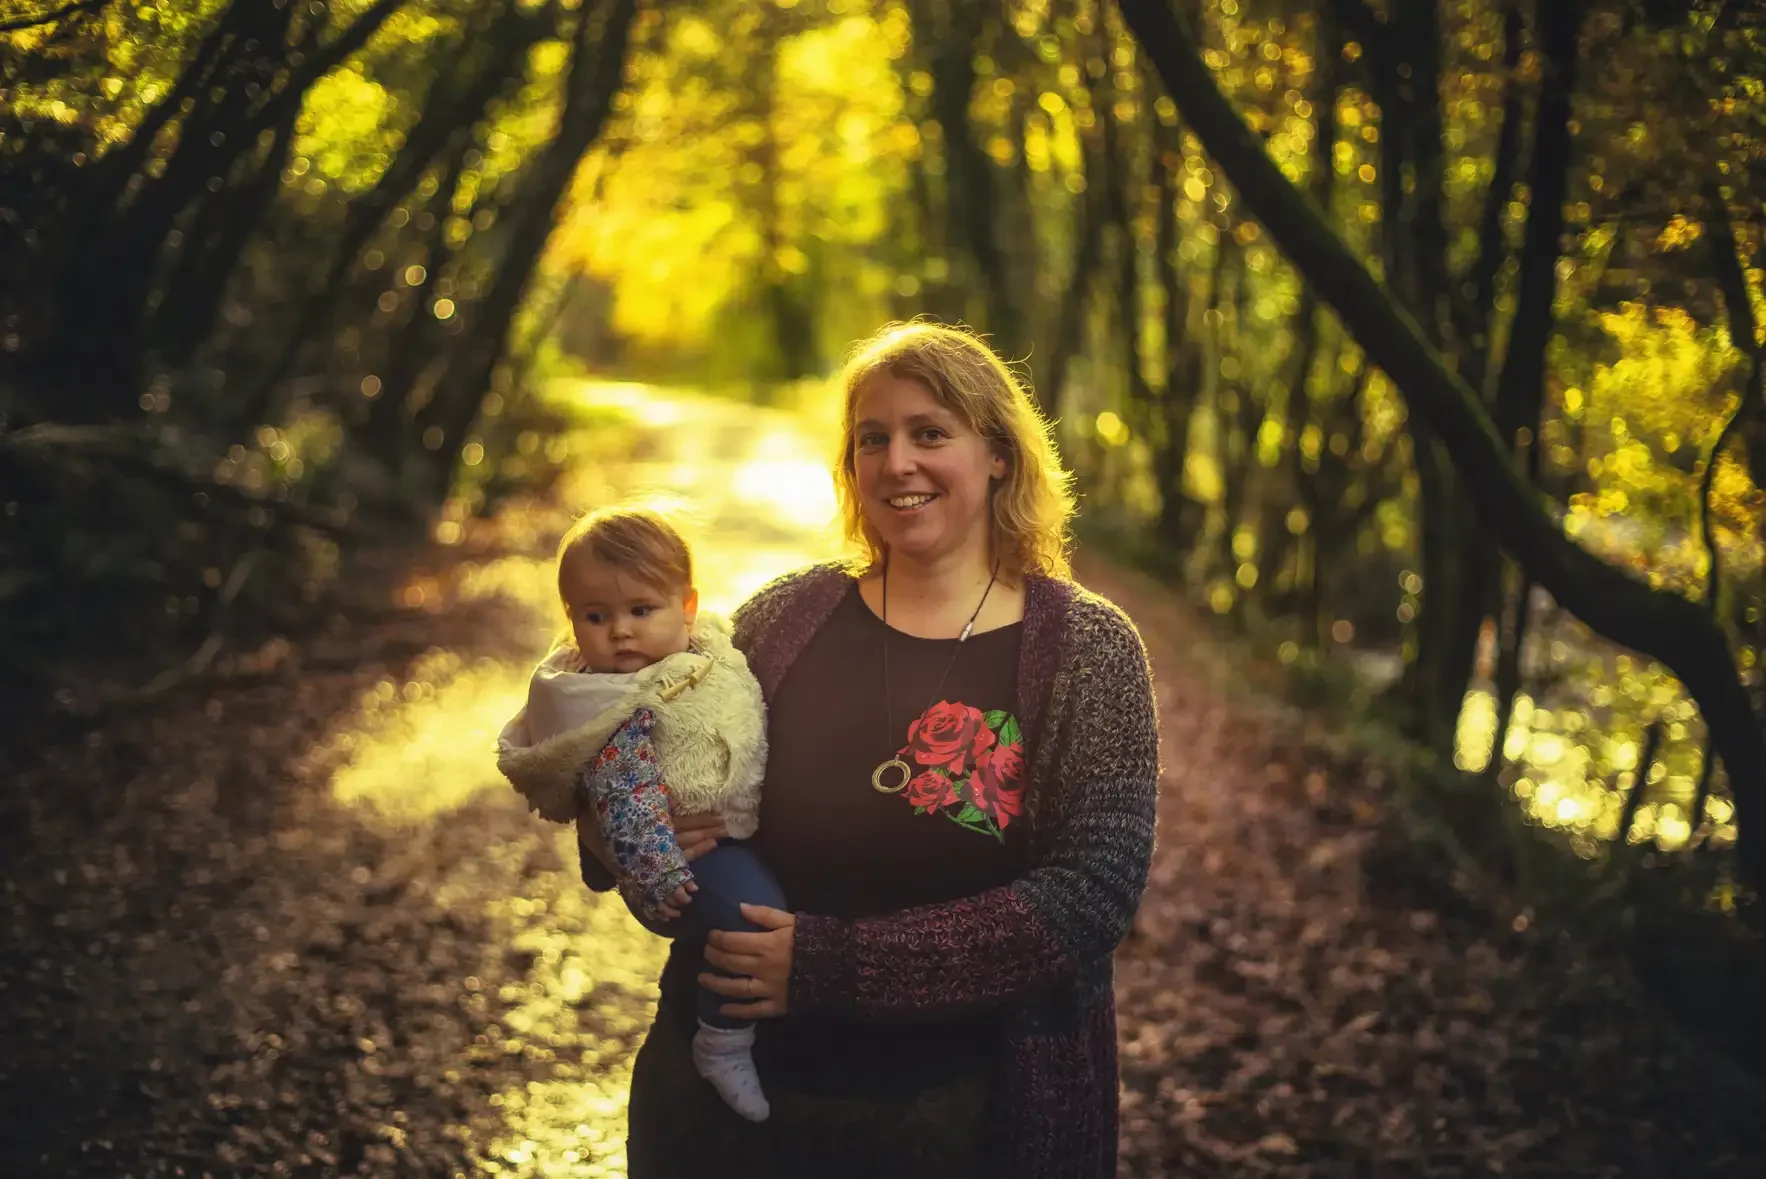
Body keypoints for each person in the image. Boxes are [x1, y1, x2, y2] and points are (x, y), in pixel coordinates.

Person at [578, 322, 1161, 1179]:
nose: (898, 463)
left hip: (959, 1118)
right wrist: (614, 838)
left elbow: (1090, 895)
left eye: (931, 432)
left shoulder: (1087, 650)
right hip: (718, 1118)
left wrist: (829, 966)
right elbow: (653, 773)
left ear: (998, 454)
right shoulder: (786, 618)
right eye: (872, 438)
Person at [497, 506, 785, 1122]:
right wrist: (649, 869)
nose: (620, 632)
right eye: (596, 617)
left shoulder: (711, 652)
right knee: (754, 920)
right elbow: (620, 798)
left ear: (687, 605)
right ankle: (722, 1042)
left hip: (736, 825)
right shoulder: (606, 704)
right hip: (691, 853)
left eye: (640, 611)